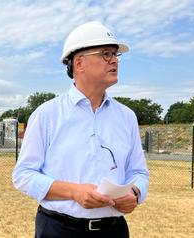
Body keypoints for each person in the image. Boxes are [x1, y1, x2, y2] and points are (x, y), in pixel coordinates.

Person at [12, 21, 149, 238]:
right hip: (58, 229)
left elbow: (139, 173)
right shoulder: (47, 115)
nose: (114, 60)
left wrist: (135, 193)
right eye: (105, 53)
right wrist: (74, 192)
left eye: (115, 54)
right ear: (79, 63)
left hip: (113, 230)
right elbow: (24, 175)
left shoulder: (127, 117)